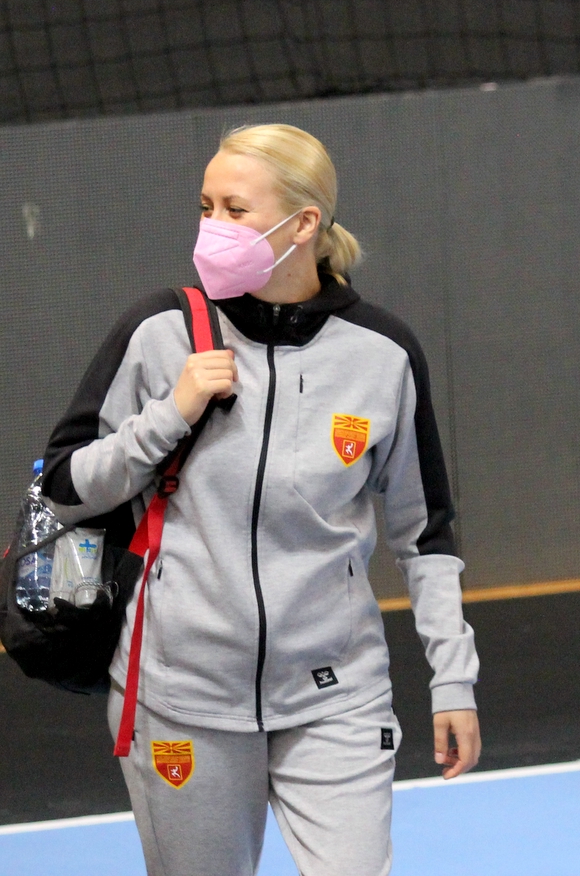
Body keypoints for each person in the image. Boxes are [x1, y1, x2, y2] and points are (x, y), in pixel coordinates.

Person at [41, 124, 481, 876]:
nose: (212, 226)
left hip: (337, 695)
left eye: (235, 209)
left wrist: (454, 681)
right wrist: (168, 416)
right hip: (180, 697)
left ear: (304, 223)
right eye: (205, 206)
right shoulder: (159, 331)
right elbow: (63, 487)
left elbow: (426, 534)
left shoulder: (384, 354)